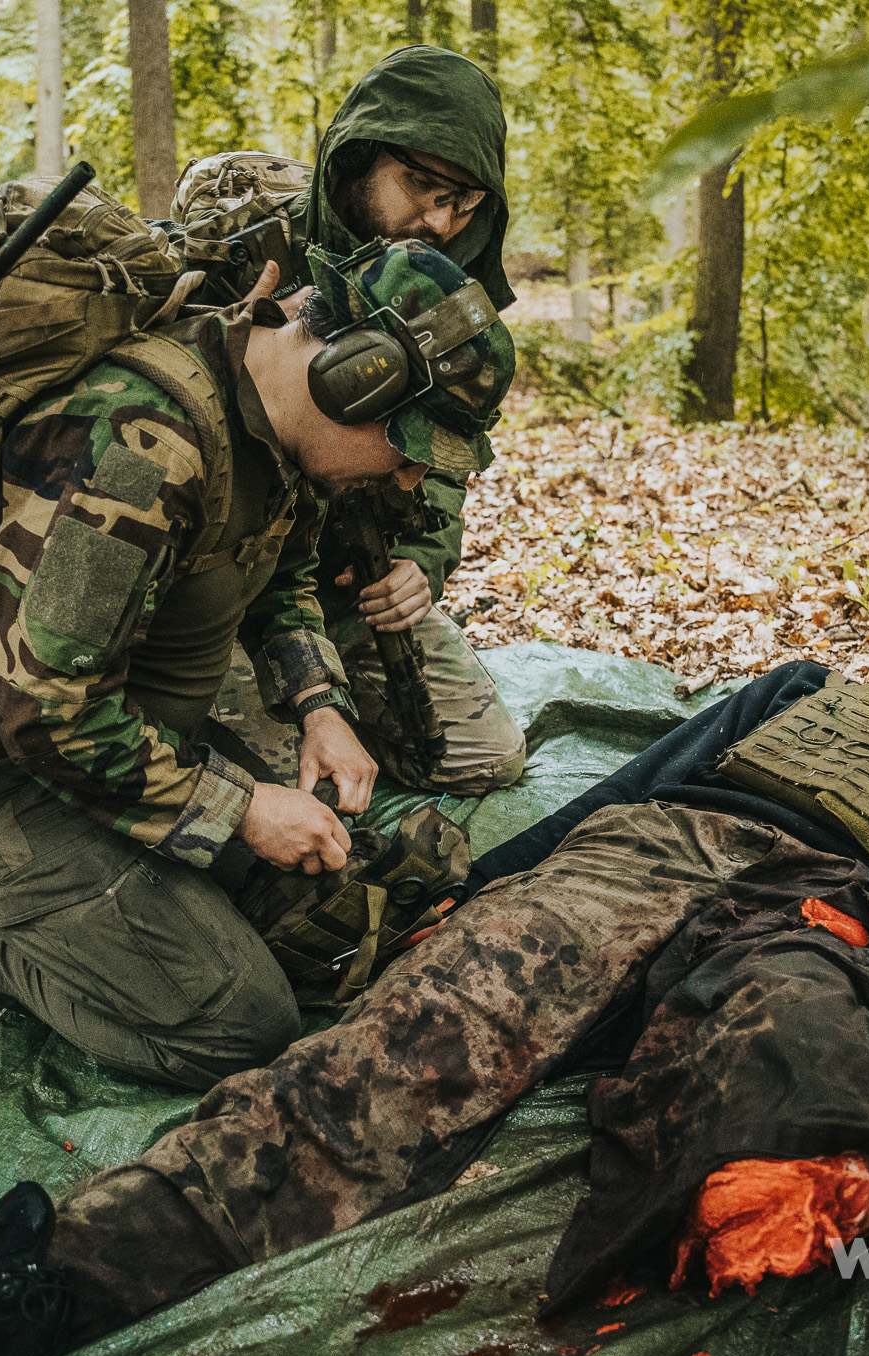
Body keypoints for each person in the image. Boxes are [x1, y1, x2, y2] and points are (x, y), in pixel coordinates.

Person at [0, 581, 869, 1356]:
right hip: (650, 852)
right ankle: (14, 1294)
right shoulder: (798, 686)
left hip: (817, 918)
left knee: (812, 1091)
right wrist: (494, 886)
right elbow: (645, 775)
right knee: (389, 1058)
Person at [0, 240, 518, 1092]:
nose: (411, 477)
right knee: (239, 1025)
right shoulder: (139, 448)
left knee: (325, 914)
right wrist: (244, 807)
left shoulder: (273, 423)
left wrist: (319, 704)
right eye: (408, 446)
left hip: (128, 738)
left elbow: (281, 571)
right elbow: (46, 711)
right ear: (349, 378)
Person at [202, 45, 528, 798]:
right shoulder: (249, 258)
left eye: (466, 202)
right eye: (420, 184)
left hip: (350, 586)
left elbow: (442, 454)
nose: (440, 220)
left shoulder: (447, 290)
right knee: (297, 803)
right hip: (223, 596)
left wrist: (426, 560)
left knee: (486, 758)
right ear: (357, 160)